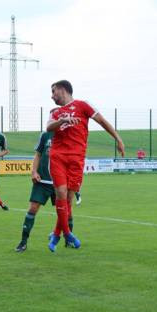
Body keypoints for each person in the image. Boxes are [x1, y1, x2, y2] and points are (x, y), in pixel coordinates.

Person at [46, 80, 125, 252]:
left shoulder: (83, 105)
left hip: (77, 159)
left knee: (68, 201)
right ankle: (67, 234)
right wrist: (63, 120)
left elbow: (102, 121)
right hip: (58, 156)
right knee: (60, 192)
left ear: (63, 89)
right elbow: (48, 127)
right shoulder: (56, 111)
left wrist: (118, 139)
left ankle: (56, 233)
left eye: (54, 91)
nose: (52, 96)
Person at [16, 130, 77, 252]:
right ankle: (23, 242)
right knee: (32, 209)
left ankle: (68, 240)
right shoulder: (45, 135)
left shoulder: (69, 135)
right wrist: (34, 171)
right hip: (42, 180)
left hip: (60, 182)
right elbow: (38, 154)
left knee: (66, 212)